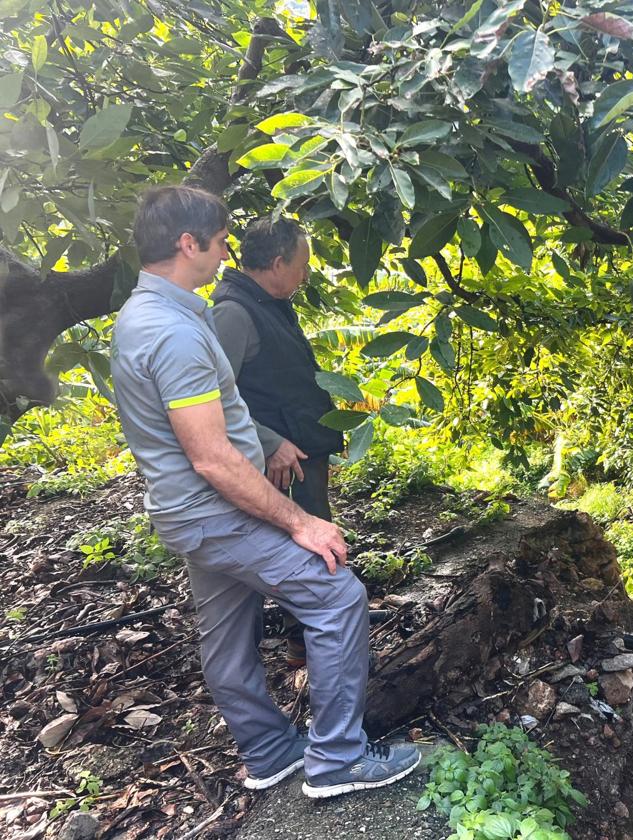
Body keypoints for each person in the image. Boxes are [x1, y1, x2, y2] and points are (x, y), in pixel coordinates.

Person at [110, 185, 419, 798]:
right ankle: (337, 761)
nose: (228, 252)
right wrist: (299, 523)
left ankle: (271, 750)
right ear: (187, 243)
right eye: (221, 240)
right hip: (213, 512)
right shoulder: (173, 332)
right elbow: (213, 456)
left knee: (225, 631)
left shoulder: (146, 315)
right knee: (337, 598)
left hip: (188, 514)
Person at [211, 217, 341, 668]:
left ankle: (315, 627)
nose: (306, 276)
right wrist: (268, 442)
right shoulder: (234, 312)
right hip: (277, 457)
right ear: (277, 262)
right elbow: (214, 399)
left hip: (301, 444)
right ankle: (305, 638)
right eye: (302, 265)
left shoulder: (268, 301)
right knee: (298, 540)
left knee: (314, 531)